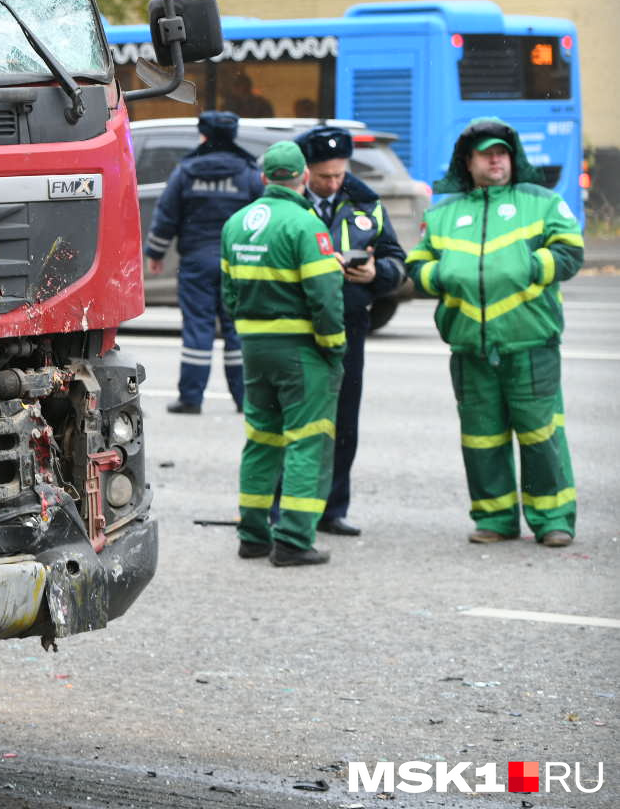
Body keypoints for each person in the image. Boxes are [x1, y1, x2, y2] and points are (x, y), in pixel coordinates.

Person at [405, 118, 583, 546]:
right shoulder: (444, 213)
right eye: (486, 153)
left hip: (530, 342)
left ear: (512, 157)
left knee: (541, 435)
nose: (496, 159)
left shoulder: (541, 202)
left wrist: (529, 267)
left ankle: (553, 518)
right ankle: (495, 518)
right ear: (468, 162)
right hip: (469, 345)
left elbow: (571, 253)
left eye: (502, 152)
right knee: (481, 439)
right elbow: (417, 265)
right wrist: (441, 275)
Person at [221, 140, 344, 567]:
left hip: (254, 347)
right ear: (304, 178)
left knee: (261, 439)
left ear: (263, 178)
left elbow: (229, 292)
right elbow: (325, 295)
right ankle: (293, 539)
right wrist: (334, 345)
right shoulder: (306, 225)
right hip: (301, 349)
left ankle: (253, 535)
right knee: (307, 441)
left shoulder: (235, 224)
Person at [293, 125, 407, 536]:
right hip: (299, 327)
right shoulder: (289, 203)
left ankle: (332, 509)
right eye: (324, 176)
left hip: (349, 325)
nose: (333, 182)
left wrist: (379, 273)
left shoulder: (366, 204)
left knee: (344, 422)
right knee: (297, 423)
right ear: (306, 171)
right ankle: (286, 511)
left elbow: (397, 258)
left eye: (339, 174)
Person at [144, 111, 265, 414]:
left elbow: (166, 216)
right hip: (238, 262)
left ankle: (191, 398)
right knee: (237, 329)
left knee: (198, 330)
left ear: (205, 136)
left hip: (197, 262)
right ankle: (244, 399)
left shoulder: (187, 171)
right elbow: (261, 216)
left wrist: (155, 254)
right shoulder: (248, 172)